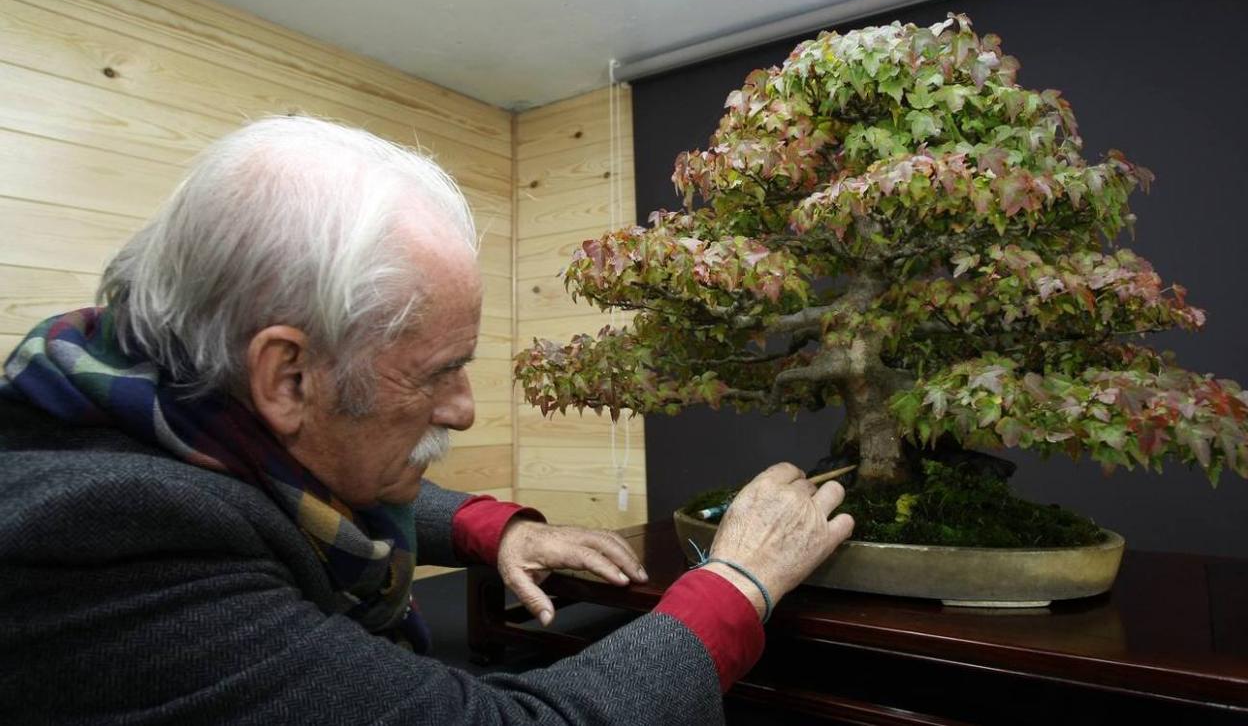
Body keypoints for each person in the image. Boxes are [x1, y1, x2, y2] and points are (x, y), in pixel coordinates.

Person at [0, 116, 854, 725]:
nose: (465, 407)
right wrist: (737, 583)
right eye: (439, 371)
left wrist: (493, 528)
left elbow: (291, 484)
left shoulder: (147, 398)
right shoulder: (104, 542)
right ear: (287, 374)